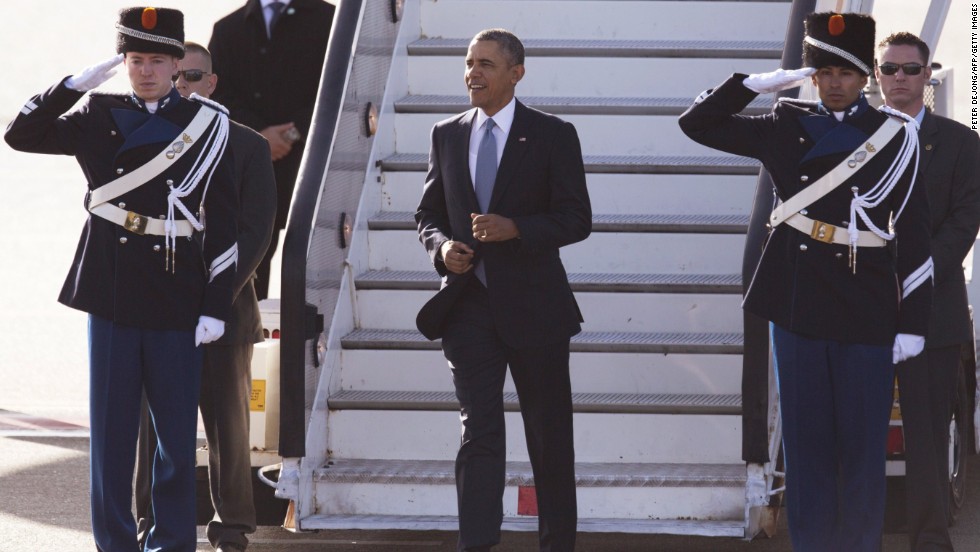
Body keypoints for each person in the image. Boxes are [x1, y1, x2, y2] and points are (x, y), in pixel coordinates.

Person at [679, 12, 932, 551]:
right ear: (810, 75)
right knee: (807, 445)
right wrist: (745, 86)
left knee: (862, 449)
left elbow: (913, 237)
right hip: (796, 302)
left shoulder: (896, 136)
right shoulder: (782, 124)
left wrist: (914, 322)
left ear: (865, 78)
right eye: (823, 71)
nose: (835, 82)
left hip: (865, 304)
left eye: (846, 72)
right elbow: (694, 125)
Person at [4, 7, 238, 552]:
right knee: (111, 436)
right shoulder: (98, 112)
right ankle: (115, 543)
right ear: (124, 63)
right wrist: (69, 87)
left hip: (177, 287)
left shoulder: (207, 124)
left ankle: (174, 541)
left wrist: (216, 303)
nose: (146, 71)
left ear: (177, 64)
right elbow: (21, 135)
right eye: (136, 60)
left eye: (157, 60)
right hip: (110, 286)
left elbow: (224, 221)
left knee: (176, 439)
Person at [415, 29, 591, 552]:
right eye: (469, 63)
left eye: (486, 64)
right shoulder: (445, 133)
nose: (473, 73)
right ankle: (477, 543)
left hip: (536, 308)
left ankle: (556, 543)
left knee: (549, 436)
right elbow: (427, 214)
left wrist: (517, 228)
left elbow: (577, 219)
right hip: (467, 307)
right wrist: (442, 248)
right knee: (479, 434)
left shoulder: (554, 134)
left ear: (516, 73)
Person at [134, 42, 278, 552]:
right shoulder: (149, 140)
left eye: (192, 76)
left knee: (229, 426)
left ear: (212, 83)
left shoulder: (246, 145)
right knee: (151, 427)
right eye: (176, 76)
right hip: (158, 310)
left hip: (228, 309)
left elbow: (257, 233)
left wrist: (216, 298)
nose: (181, 86)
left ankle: (233, 525)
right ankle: (147, 519)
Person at [877, 31, 980, 551]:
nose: (900, 78)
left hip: (934, 316)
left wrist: (909, 278)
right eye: (890, 69)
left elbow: (964, 223)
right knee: (852, 438)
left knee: (927, 439)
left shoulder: (961, 142)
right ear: (877, 75)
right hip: (859, 314)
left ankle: (931, 543)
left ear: (927, 76)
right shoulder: (856, 138)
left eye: (910, 70)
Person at [208, 0, 335, 300]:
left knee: (310, 260)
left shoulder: (329, 20)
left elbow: (334, 87)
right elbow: (217, 93)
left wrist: (291, 134)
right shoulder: (227, 29)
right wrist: (259, 137)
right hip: (246, 170)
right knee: (250, 265)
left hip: (309, 165)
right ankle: (246, 341)